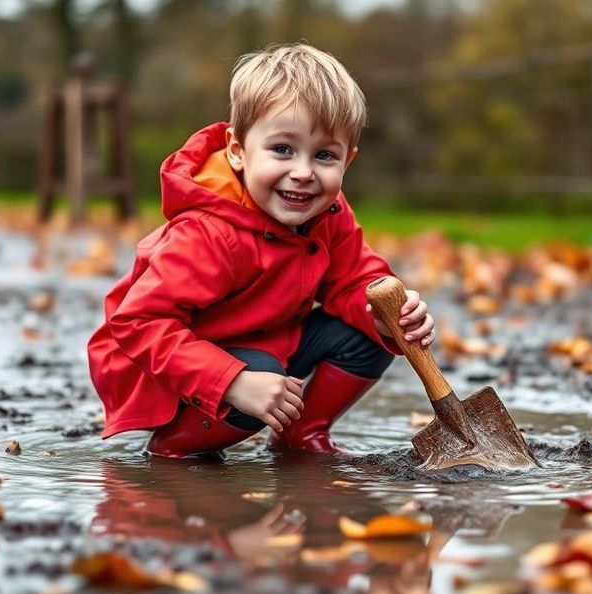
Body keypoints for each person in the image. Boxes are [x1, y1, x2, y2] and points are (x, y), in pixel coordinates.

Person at [87, 43, 436, 458]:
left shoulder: (329, 212)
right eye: (282, 150)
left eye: (324, 155)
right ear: (237, 150)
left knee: (370, 333)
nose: (303, 172)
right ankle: (176, 445)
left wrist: (384, 313)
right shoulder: (208, 233)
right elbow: (139, 323)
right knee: (260, 376)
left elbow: (355, 279)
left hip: (268, 341)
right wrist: (231, 381)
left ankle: (301, 434)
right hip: (172, 364)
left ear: (348, 161)